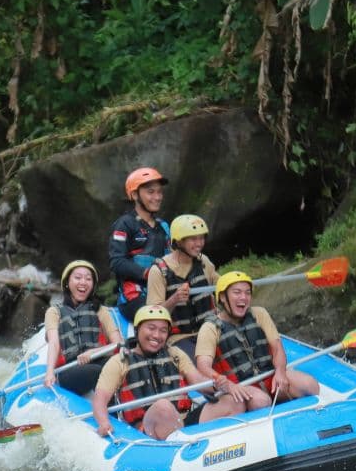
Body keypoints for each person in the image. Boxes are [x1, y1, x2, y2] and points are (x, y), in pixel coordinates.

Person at [91, 305, 243, 440]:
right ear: (137, 330)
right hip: (146, 428)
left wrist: (218, 385)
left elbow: (196, 379)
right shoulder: (120, 361)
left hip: (182, 422)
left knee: (233, 402)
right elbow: (100, 398)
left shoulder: (174, 353)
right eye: (151, 328)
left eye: (163, 330)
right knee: (163, 406)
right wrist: (104, 423)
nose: (157, 335)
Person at [195, 271, 320, 411]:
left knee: (310, 385)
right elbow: (203, 366)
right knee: (262, 401)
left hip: (269, 377)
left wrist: (280, 372)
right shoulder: (210, 328)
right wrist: (228, 385)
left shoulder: (259, 313)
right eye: (237, 292)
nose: (243, 297)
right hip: (239, 386)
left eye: (247, 293)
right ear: (223, 297)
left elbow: (277, 348)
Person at [42, 260, 124, 395]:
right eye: (78, 277)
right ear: (67, 283)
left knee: (119, 364)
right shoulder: (54, 312)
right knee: (99, 371)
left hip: (98, 361)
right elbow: (54, 344)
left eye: (88, 279)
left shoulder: (100, 310)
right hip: (69, 369)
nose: (83, 282)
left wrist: (93, 353)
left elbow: (118, 344)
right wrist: (50, 372)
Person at [145, 214, 218, 359]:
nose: (199, 243)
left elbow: (221, 288)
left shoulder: (203, 262)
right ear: (178, 241)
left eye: (201, 238)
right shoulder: (159, 270)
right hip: (179, 338)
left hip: (210, 329)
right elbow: (152, 317)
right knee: (198, 361)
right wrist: (174, 299)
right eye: (193, 239)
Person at [108, 167, 170, 322]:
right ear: (135, 195)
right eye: (151, 192)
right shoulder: (124, 224)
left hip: (163, 290)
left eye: (159, 192)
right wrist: (148, 273)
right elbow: (116, 262)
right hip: (134, 295)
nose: (157, 197)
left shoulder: (164, 226)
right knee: (156, 318)